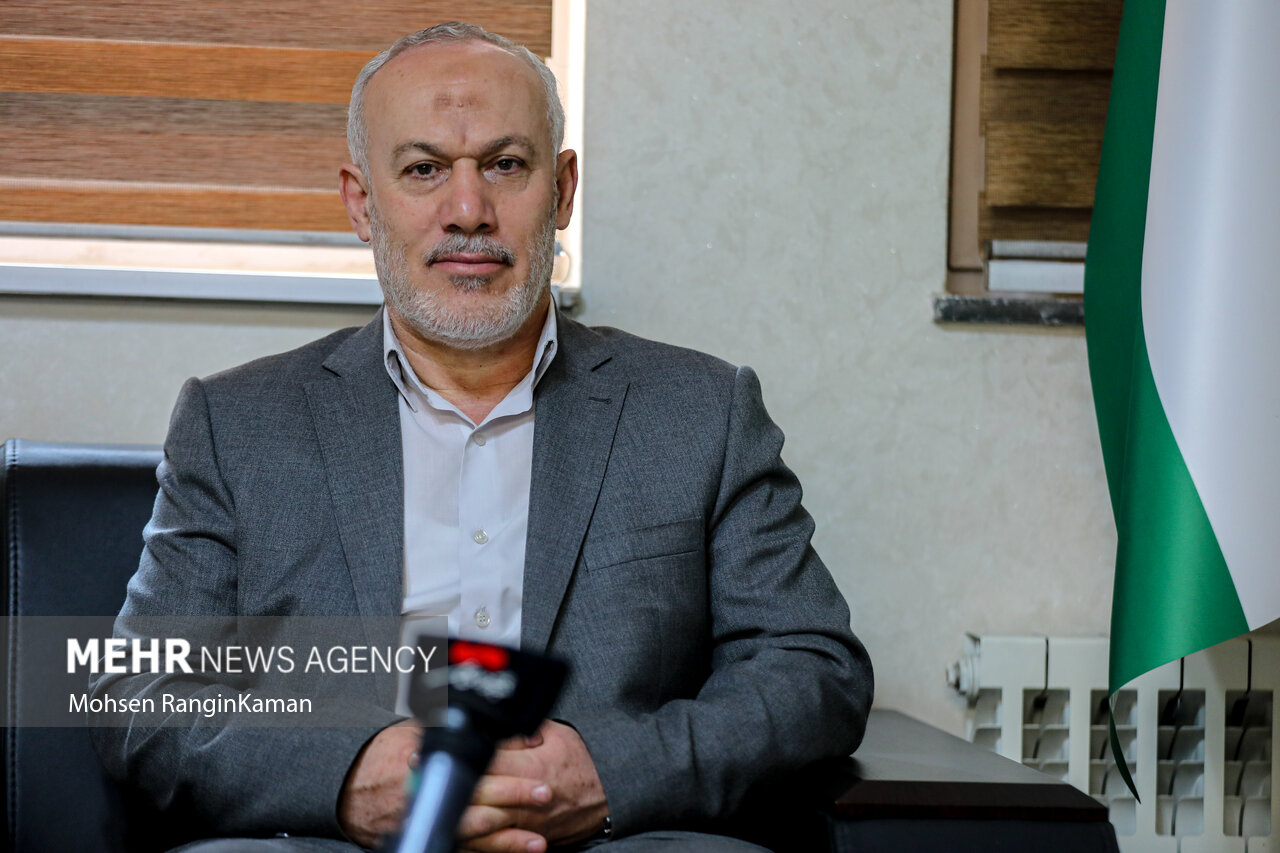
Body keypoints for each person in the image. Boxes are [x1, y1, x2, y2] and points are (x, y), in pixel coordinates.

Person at [91, 22, 873, 853]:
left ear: (562, 190)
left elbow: (812, 667)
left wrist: (611, 771)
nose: (468, 211)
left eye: (504, 164)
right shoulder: (235, 423)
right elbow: (139, 696)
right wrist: (346, 777)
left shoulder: (702, 411)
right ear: (361, 202)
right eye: (424, 169)